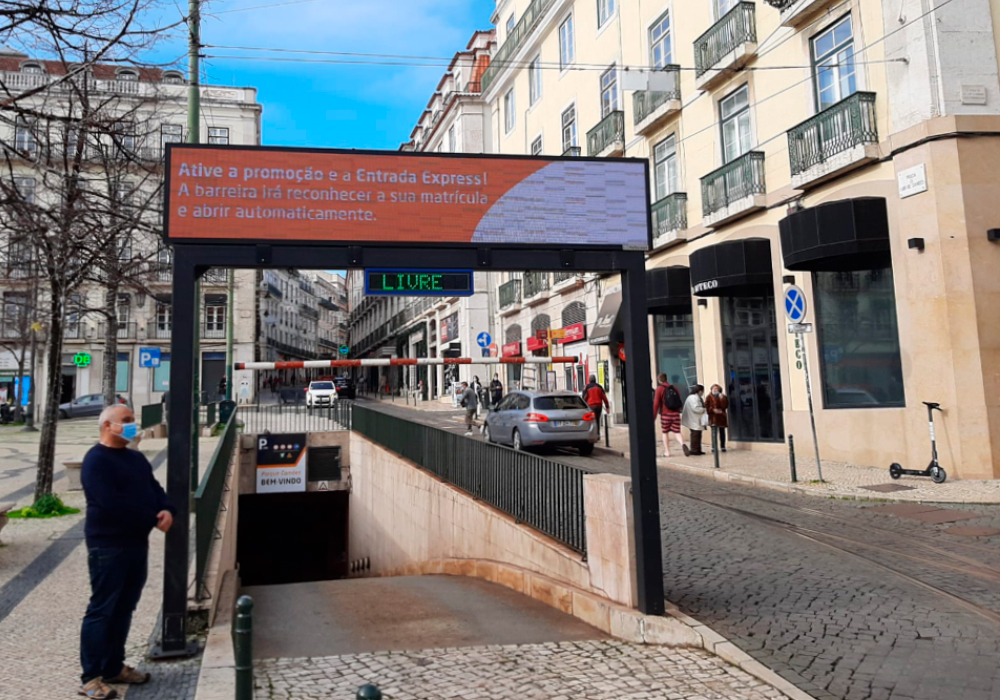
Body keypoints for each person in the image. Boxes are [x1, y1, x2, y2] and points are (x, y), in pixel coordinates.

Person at [79, 405, 176, 699]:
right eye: (126, 421)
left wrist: (167, 509)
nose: (132, 425)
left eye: (133, 420)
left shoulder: (135, 458)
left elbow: (154, 489)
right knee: (102, 609)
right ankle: (91, 677)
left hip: (136, 543)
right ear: (108, 426)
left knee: (124, 608)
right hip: (108, 546)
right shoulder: (96, 461)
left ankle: (113, 666)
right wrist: (152, 519)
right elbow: (111, 503)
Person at [653, 373, 685, 458]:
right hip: (676, 414)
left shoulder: (659, 389)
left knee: (665, 432)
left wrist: (654, 416)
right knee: (677, 431)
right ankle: (682, 444)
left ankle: (667, 452)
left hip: (665, 414)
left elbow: (656, 404)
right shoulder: (674, 388)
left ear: (659, 380)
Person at [681, 384, 708, 456]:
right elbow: (695, 408)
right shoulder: (693, 398)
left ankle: (697, 449)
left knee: (698, 435)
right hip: (694, 420)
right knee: (695, 435)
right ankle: (694, 450)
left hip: (695, 419)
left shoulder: (695, 397)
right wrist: (704, 409)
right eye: (702, 391)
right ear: (700, 391)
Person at [705, 383, 729, 452]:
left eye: (716, 388)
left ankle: (723, 446)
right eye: (713, 388)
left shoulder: (723, 396)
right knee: (714, 433)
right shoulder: (708, 397)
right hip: (713, 417)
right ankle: (713, 447)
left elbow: (726, 405)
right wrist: (712, 410)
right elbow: (706, 406)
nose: (715, 389)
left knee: (722, 432)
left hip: (721, 416)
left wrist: (722, 399)